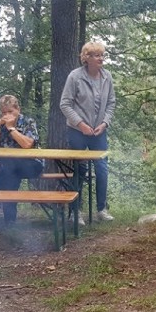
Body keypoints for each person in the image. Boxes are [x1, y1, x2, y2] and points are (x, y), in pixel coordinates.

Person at [60, 41, 117, 224]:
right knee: (80, 169)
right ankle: (75, 213)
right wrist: (81, 123)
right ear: (87, 58)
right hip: (77, 131)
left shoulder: (107, 77)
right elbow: (65, 104)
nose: (101, 58)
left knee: (102, 169)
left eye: (102, 55)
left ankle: (101, 209)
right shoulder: (75, 77)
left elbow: (111, 103)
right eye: (97, 55)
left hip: (99, 132)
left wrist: (105, 123)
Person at [0, 95, 44, 225]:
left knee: (7, 169)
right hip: (9, 168)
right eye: (4, 112)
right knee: (9, 174)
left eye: (10, 111)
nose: (7, 115)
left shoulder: (28, 121)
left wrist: (11, 128)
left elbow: (27, 144)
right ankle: (10, 223)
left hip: (31, 164)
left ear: (18, 110)